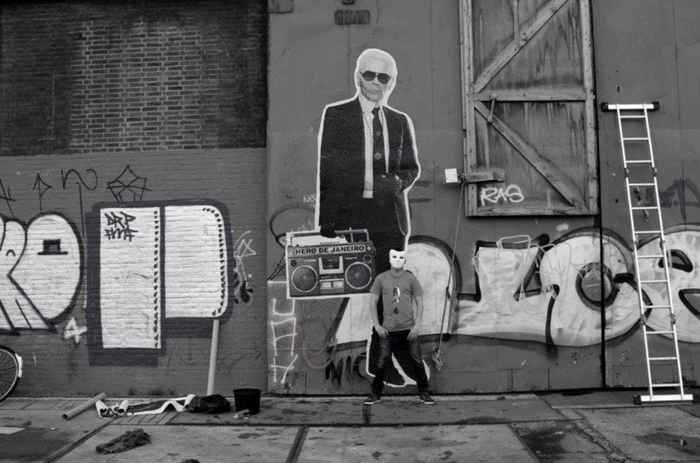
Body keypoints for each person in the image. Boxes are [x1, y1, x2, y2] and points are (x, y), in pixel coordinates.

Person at [315, 48, 420, 275]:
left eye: (383, 77)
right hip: (350, 215)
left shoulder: (399, 121)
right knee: (354, 281)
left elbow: (411, 168)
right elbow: (328, 170)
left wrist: (398, 183)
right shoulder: (337, 115)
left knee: (389, 283)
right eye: (369, 75)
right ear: (358, 77)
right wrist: (327, 222)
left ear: (391, 83)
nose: (375, 82)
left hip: (391, 219)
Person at [365, 249, 434, 405]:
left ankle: (424, 393)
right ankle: (375, 394)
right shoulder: (381, 278)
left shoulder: (410, 278)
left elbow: (420, 302)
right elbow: (372, 302)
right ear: (389, 259)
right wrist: (377, 325)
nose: (397, 260)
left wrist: (417, 325)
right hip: (388, 330)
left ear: (405, 260)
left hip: (409, 330)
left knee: (417, 361)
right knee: (382, 361)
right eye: (394, 257)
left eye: (401, 257)